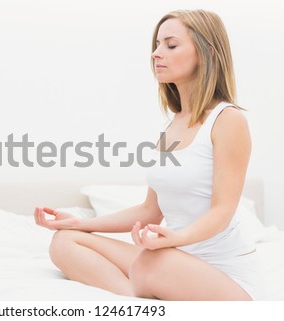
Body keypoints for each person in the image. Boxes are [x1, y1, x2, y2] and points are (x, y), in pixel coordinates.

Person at [34, 9, 261, 300]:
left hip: (223, 274)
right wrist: (78, 222)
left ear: (206, 53)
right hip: (171, 261)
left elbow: (222, 211)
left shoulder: (228, 120)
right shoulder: (172, 127)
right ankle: (136, 297)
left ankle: (149, 283)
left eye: (170, 44)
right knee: (64, 242)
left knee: (151, 262)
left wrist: (175, 240)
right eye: (156, 45)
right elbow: (149, 211)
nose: (156, 53)